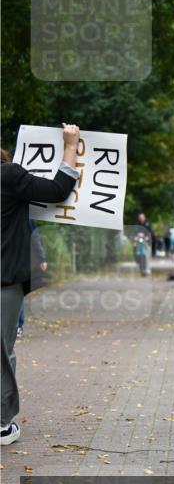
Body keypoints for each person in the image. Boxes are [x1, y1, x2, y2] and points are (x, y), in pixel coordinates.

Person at [1, 123, 81, 445]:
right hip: (5, 282)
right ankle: (3, 424)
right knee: (2, 352)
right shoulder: (8, 176)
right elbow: (57, 189)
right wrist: (71, 146)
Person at [17, 222, 48, 338]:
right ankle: (17, 326)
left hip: (18, 261)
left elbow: (35, 238)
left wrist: (42, 258)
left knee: (16, 294)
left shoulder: (26, 218)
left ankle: (18, 326)